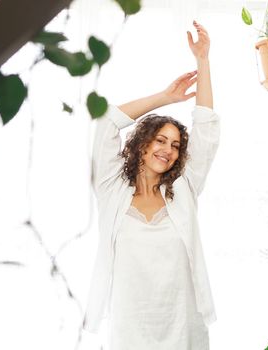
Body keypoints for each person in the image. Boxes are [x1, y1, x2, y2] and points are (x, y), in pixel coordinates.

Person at [82, 20, 218, 350]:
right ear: (142, 144)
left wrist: (203, 60)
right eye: (160, 140)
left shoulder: (184, 190)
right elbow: (106, 121)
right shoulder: (112, 191)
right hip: (129, 328)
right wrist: (166, 97)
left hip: (182, 325)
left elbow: (206, 130)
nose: (168, 150)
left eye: (174, 145)